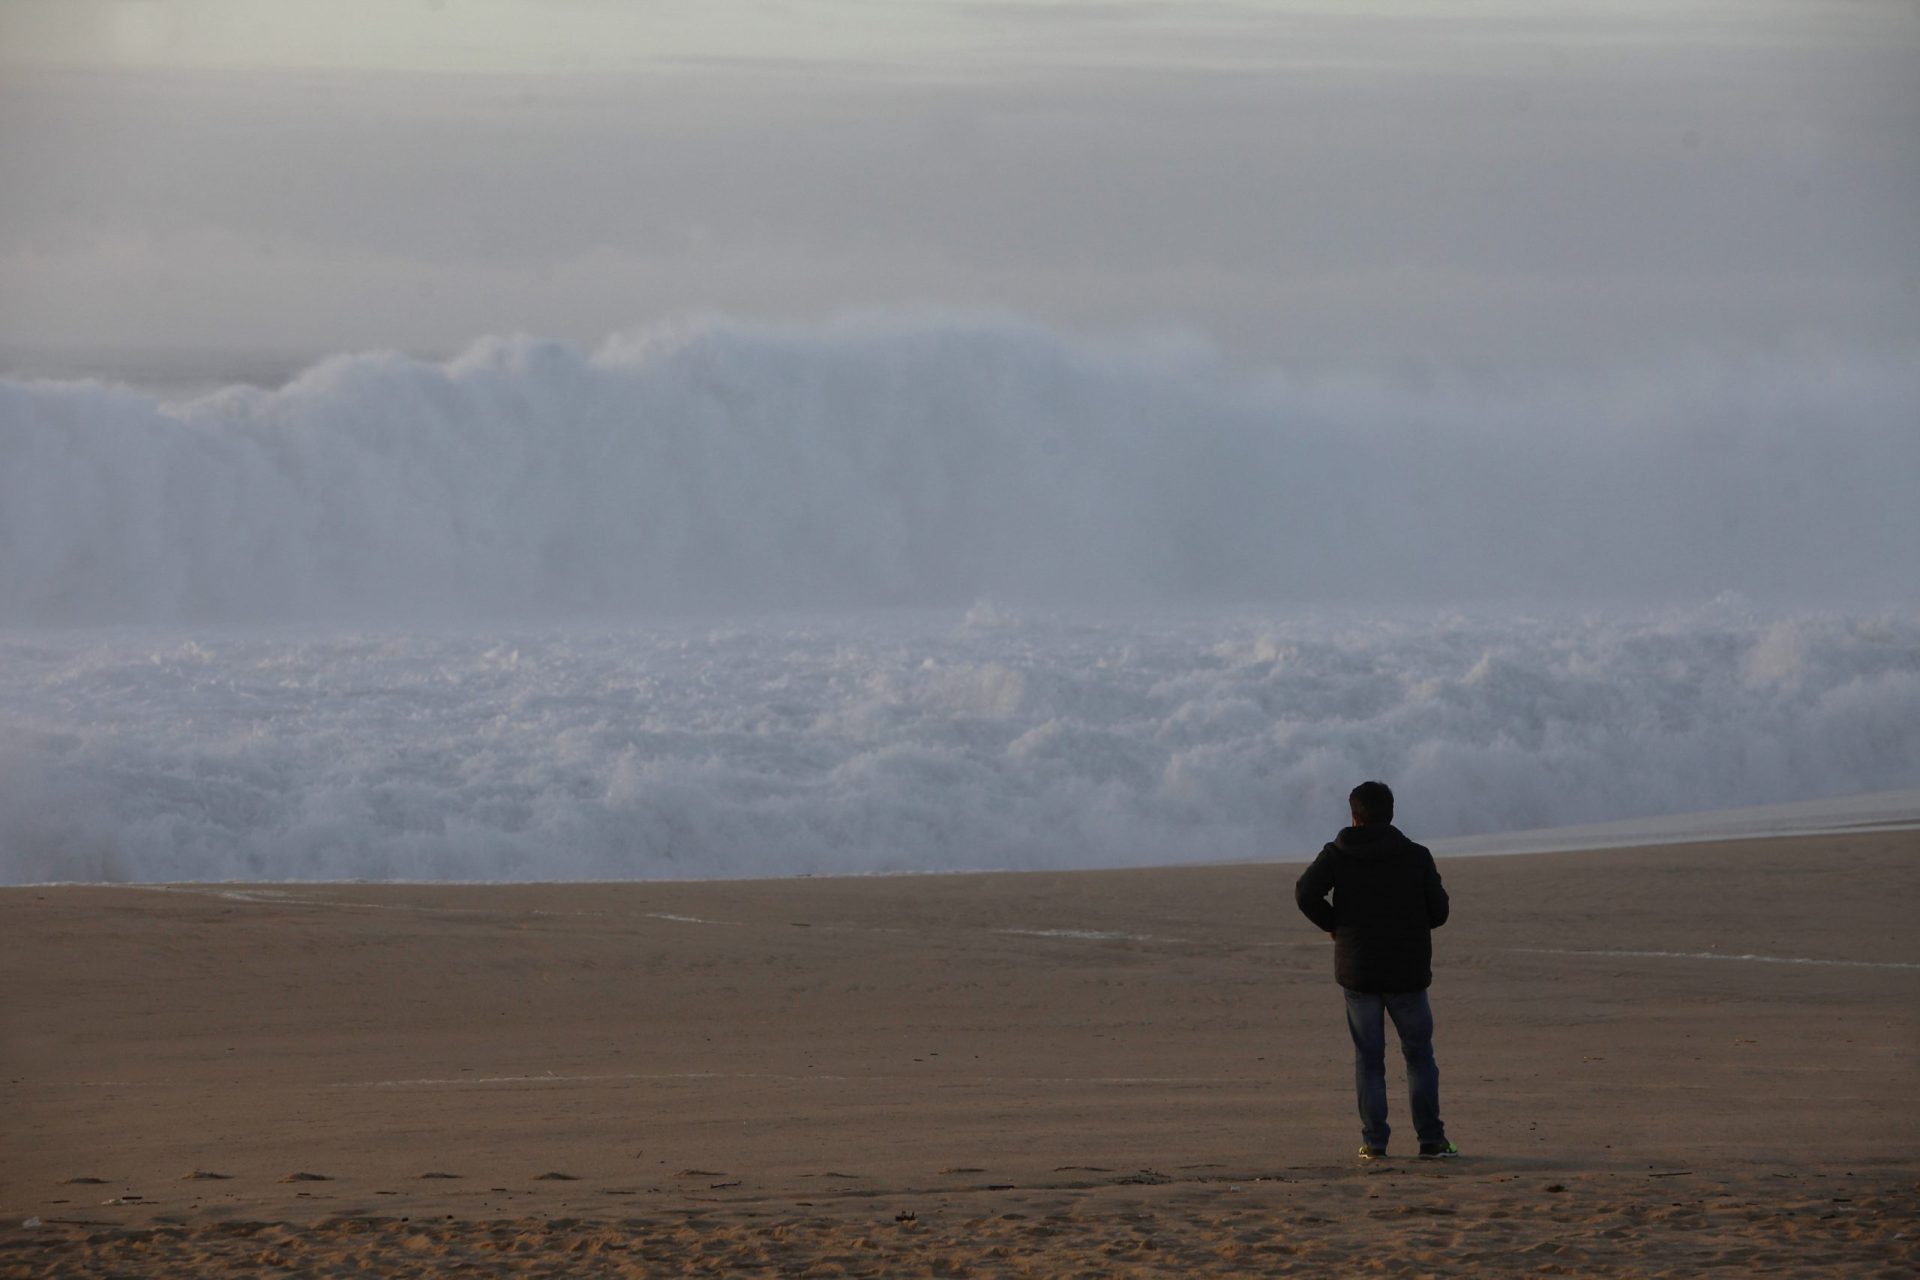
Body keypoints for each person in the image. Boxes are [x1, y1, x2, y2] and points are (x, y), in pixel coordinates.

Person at [1294, 780, 1458, 1161]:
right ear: (1392, 814)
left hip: (1359, 972)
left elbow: (1305, 892)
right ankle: (1431, 1140)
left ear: (1354, 817)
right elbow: (1440, 912)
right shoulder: (1416, 856)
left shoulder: (1338, 854)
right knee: (1419, 1056)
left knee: (1369, 1059)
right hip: (1407, 972)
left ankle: (1375, 1143)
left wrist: (1334, 923)